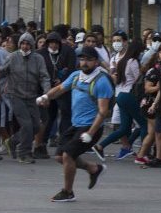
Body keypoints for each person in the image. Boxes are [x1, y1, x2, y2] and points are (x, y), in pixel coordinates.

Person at [38, 48, 111, 202]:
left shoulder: (102, 81)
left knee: (68, 155)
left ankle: (67, 192)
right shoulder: (76, 76)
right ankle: (94, 169)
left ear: (96, 62)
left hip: (91, 127)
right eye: (82, 59)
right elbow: (60, 89)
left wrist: (91, 133)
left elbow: (103, 112)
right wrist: (46, 96)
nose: (84, 62)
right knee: (59, 157)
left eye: (88, 59)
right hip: (76, 125)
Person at [0, 33, 48, 163]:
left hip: (32, 96)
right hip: (16, 95)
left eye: (28, 44)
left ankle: (13, 141)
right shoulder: (13, 57)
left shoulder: (38, 59)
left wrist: (46, 94)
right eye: (23, 43)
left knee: (36, 126)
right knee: (27, 125)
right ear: (19, 44)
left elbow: (44, 77)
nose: (25, 46)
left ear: (32, 45)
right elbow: (2, 71)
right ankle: (24, 153)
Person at [97, 39, 146, 159]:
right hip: (130, 95)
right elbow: (138, 79)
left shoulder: (122, 61)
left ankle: (101, 146)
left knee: (124, 127)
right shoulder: (133, 61)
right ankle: (144, 152)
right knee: (144, 124)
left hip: (121, 95)